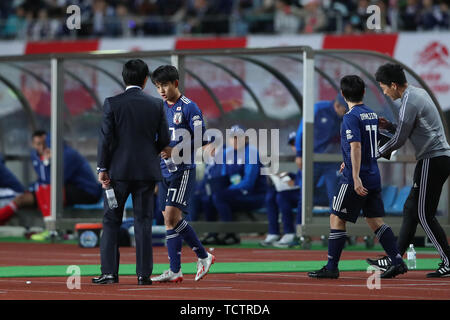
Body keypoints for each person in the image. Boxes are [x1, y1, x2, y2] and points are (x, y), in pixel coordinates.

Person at [308, 75, 407, 279]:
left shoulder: (350, 117)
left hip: (356, 177)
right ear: (363, 93)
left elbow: (356, 146)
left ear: (343, 95)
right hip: (373, 174)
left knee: (336, 217)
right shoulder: (371, 114)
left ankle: (331, 267)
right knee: (374, 220)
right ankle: (397, 261)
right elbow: (373, 143)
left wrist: (354, 176)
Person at [367, 63, 450, 278]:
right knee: (411, 210)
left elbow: (400, 139)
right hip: (433, 159)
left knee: (423, 214)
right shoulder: (415, 93)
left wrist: (373, 154)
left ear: (394, 85)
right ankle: (395, 259)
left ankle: (449, 261)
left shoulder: (409, 100)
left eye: (384, 87)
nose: (384, 91)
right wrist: (390, 127)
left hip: (434, 159)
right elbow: (406, 130)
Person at [93, 59, 171, 285]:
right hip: (146, 174)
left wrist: (102, 168)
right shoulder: (156, 105)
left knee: (111, 221)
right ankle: (143, 275)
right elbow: (165, 140)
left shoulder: (112, 103)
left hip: (117, 174)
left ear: (124, 78)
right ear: (146, 80)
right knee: (143, 222)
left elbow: (105, 139)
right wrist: (148, 154)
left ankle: (109, 273)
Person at [150, 65, 215, 283]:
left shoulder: (190, 107)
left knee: (171, 217)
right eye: (157, 86)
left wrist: (175, 151)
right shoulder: (159, 108)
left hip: (183, 170)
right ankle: (175, 270)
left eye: (165, 85)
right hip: (163, 171)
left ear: (176, 84)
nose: (161, 90)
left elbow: (202, 139)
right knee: (168, 221)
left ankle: (204, 256)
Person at [0, 131, 103, 237]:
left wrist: (46, 162)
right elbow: (44, 179)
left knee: (46, 189)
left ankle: (52, 228)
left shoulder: (67, 154)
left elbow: (54, 180)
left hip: (87, 191)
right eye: (39, 144)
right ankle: (50, 227)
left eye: (45, 143)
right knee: (23, 198)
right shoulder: (36, 155)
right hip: (61, 189)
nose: (43, 147)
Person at [294, 94, 347, 235]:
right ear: (337, 106)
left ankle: (337, 232)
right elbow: (302, 130)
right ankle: (299, 231)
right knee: (304, 195)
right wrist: (300, 154)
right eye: (345, 110)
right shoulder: (318, 109)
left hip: (332, 161)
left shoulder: (347, 117)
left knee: (335, 197)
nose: (346, 113)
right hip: (313, 159)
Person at [211, 124, 267, 245]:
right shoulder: (227, 152)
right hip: (235, 193)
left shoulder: (251, 152)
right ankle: (212, 234)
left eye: (239, 137)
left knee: (219, 196)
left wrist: (228, 190)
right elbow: (223, 177)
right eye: (233, 137)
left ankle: (230, 233)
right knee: (207, 198)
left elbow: (249, 183)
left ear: (246, 139)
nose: (235, 140)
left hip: (254, 195)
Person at [260, 131, 301, 248]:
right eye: (293, 144)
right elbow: (301, 176)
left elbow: (313, 181)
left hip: (311, 193)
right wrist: (290, 176)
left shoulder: (310, 154)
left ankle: (290, 232)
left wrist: (295, 182)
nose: (295, 147)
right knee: (271, 195)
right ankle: (273, 232)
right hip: (300, 190)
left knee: (282, 196)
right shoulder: (300, 155)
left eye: (297, 143)